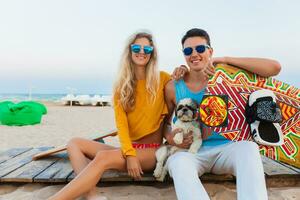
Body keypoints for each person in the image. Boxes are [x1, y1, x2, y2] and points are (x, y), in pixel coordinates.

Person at [48, 31, 177, 200]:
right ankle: (91, 194)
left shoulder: (163, 79)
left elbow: (184, 89)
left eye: (147, 49)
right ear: (130, 51)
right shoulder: (121, 87)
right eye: (137, 47)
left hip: (152, 152)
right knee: (74, 143)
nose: (142, 52)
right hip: (129, 149)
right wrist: (129, 154)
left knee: (103, 157)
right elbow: (121, 125)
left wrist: (182, 71)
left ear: (152, 53)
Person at [163, 28, 281, 200]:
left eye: (200, 49)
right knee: (177, 163)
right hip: (191, 152)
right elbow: (165, 123)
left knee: (248, 148)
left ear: (210, 51)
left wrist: (225, 60)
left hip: (227, 149)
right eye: (188, 51)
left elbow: (274, 67)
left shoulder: (227, 76)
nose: (194, 54)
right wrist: (170, 137)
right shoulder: (173, 87)